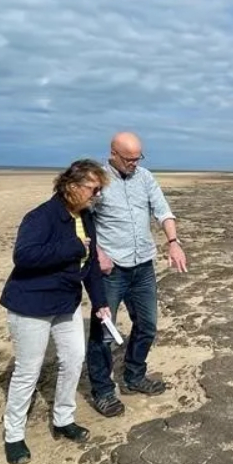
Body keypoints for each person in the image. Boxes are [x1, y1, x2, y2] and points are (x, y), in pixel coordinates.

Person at [0, 158, 113, 464]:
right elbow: (24, 256)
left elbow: (90, 268)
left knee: (74, 359)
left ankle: (64, 419)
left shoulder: (86, 217)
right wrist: (74, 248)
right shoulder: (41, 216)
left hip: (67, 303)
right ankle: (14, 436)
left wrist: (100, 302)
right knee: (28, 369)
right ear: (70, 186)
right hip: (31, 305)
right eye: (93, 189)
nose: (97, 195)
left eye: (100, 190)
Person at [84, 131, 187, 417]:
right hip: (111, 270)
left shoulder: (145, 177)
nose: (134, 163)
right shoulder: (97, 180)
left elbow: (163, 211)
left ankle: (134, 375)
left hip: (143, 266)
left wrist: (174, 243)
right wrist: (97, 254)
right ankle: (103, 392)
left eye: (138, 157)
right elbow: (81, 218)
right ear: (113, 154)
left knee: (148, 325)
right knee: (103, 335)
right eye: (128, 159)